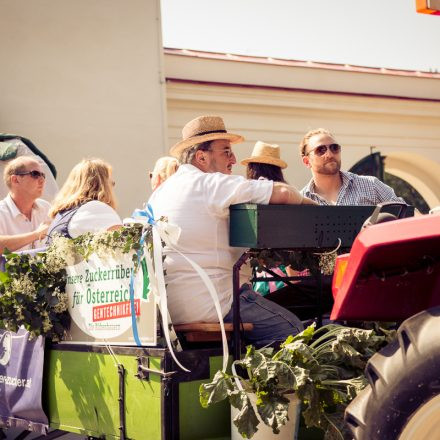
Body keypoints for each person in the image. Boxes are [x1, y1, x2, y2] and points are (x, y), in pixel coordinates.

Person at [148, 115, 316, 347]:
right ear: (202, 157)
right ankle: (254, 381)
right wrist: (318, 209)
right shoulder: (209, 184)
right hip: (215, 303)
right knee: (293, 330)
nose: (234, 159)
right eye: (226, 151)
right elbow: (284, 193)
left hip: (172, 308)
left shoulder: (162, 191)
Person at [299, 128, 405, 205]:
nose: (330, 154)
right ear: (307, 161)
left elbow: (406, 213)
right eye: (320, 150)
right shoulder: (300, 201)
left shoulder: (371, 185)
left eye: (334, 147)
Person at [47, 158, 122, 240]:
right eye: (112, 183)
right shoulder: (97, 208)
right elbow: (121, 246)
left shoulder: (63, 213)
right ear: (104, 186)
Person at [0, 156, 51, 253]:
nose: (42, 180)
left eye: (43, 175)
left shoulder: (46, 208)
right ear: (15, 180)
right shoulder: (1, 212)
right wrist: (36, 235)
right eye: (35, 174)